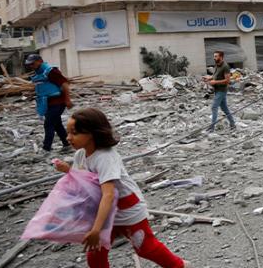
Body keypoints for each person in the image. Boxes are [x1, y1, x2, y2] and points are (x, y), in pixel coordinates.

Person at [54, 108, 187, 268]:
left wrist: (95, 229)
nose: (68, 138)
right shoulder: (80, 155)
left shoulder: (105, 157)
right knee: (95, 253)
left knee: (145, 247)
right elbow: (84, 178)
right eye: (68, 132)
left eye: (74, 133)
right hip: (104, 212)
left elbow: (108, 194)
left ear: (91, 133)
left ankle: (179, 265)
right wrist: (68, 170)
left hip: (126, 209)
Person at [26, 53, 72, 153]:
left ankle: (46, 148)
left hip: (58, 102)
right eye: (29, 65)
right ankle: (67, 144)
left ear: (40, 61)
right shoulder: (38, 73)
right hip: (48, 103)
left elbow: (64, 84)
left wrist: (67, 100)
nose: (31, 66)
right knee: (57, 124)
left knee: (48, 124)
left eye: (32, 64)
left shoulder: (51, 71)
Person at [202, 50, 234, 132]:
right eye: (214, 56)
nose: (214, 58)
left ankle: (212, 127)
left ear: (221, 57)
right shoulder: (217, 65)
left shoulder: (225, 66)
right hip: (217, 89)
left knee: (214, 107)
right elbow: (215, 75)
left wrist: (215, 82)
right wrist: (209, 78)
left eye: (216, 56)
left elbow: (227, 80)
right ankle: (233, 124)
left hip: (222, 90)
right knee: (225, 108)